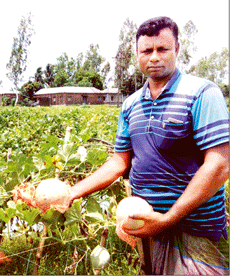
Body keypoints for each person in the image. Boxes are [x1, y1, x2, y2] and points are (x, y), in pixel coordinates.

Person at [61, 16, 229, 275]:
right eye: (146, 50)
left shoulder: (203, 93)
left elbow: (219, 166)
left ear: (177, 49)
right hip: (146, 225)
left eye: (162, 49)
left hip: (194, 230)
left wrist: (167, 219)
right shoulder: (130, 105)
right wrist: (72, 193)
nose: (154, 57)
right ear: (137, 54)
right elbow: (119, 162)